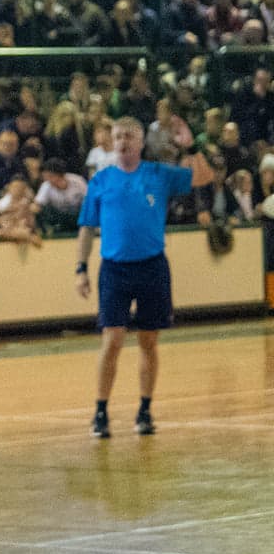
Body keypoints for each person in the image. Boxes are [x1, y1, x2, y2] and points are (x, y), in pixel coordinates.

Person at [74, 117, 208, 438]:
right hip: (115, 269)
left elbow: (204, 176)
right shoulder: (102, 180)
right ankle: (101, 410)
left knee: (149, 341)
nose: (123, 142)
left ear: (141, 142)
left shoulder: (158, 174)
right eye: (118, 136)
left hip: (152, 267)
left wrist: (193, 147)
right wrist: (80, 268)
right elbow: (87, 228)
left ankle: (145, 409)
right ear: (112, 140)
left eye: (129, 137)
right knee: (113, 339)